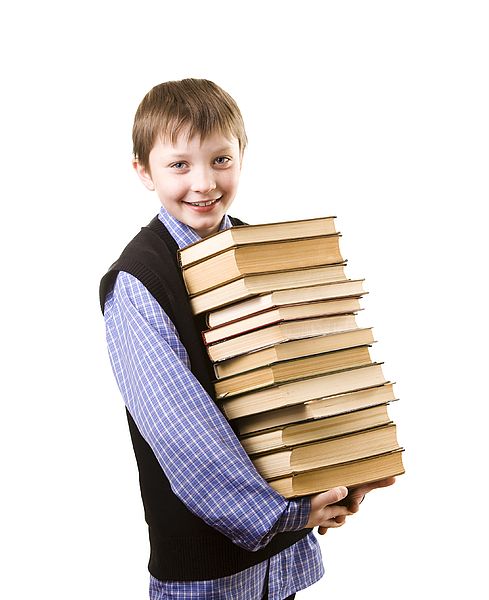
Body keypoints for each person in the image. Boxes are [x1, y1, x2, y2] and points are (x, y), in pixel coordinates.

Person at [99, 77, 395, 600]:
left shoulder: (262, 251)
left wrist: (342, 476)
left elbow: (309, 368)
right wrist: (288, 511)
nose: (203, 183)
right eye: (178, 165)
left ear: (242, 155)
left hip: (282, 557)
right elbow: (180, 430)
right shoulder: (138, 280)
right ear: (143, 171)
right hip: (208, 569)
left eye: (220, 160)